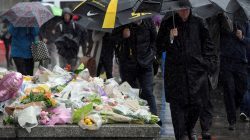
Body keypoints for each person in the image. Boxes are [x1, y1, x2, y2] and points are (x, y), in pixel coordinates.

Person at [156, 6, 217, 140]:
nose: (184, 12)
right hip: (176, 77)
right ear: (176, 9)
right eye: (181, 9)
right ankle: (182, 134)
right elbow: (158, 47)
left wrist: (208, 64)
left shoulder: (199, 23)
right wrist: (170, 38)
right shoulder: (168, 23)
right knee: (178, 113)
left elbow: (208, 46)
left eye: (186, 9)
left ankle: (188, 130)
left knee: (196, 107)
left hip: (196, 76)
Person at [113, 18, 158, 115]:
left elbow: (155, 40)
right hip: (127, 64)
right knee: (128, 93)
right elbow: (112, 38)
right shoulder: (123, 23)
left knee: (147, 91)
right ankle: (133, 117)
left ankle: (155, 119)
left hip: (146, 63)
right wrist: (122, 35)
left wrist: (151, 54)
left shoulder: (149, 21)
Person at [220, 10, 250, 130]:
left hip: (240, 62)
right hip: (226, 61)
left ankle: (234, 107)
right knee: (228, 90)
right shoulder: (221, 17)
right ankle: (231, 119)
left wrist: (242, 37)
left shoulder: (245, 17)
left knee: (241, 90)